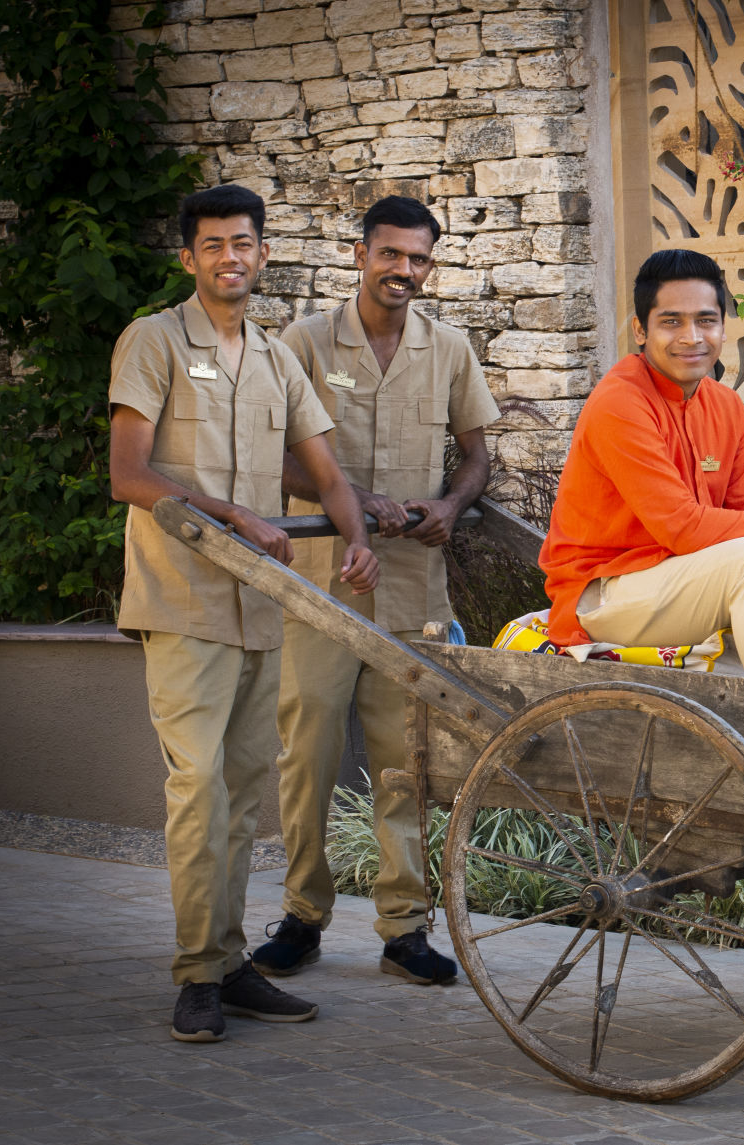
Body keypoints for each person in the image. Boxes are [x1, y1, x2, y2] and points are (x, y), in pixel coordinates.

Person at [108, 185, 379, 1042]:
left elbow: (324, 471)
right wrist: (234, 516)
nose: (232, 256)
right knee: (197, 790)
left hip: (262, 608)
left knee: (243, 789)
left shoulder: (274, 358)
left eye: (245, 243)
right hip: (183, 599)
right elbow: (129, 474)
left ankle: (229, 963)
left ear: (264, 255)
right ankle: (196, 973)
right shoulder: (152, 341)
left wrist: (357, 536)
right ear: (189, 257)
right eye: (214, 244)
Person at [250, 196, 499, 986]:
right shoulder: (305, 342)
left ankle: (405, 928)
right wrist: (349, 498)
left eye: (418, 258)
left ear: (431, 265)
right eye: (390, 254)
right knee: (309, 756)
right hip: (322, 588)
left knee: (408, 765)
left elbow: (475, 457)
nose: (403, 270)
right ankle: (301, 916)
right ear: (360, 254)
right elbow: (274, 456)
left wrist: (452, 507)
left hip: (414, 592)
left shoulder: (449, 348)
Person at [539, 249, 744, 685]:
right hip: (607, 590)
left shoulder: (725, 405)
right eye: (671, 322)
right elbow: (682, 528)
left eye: (706, 320)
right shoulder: (620, 402)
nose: (692, 337)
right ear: (640, 330)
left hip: (687, 580)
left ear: (723, 328)